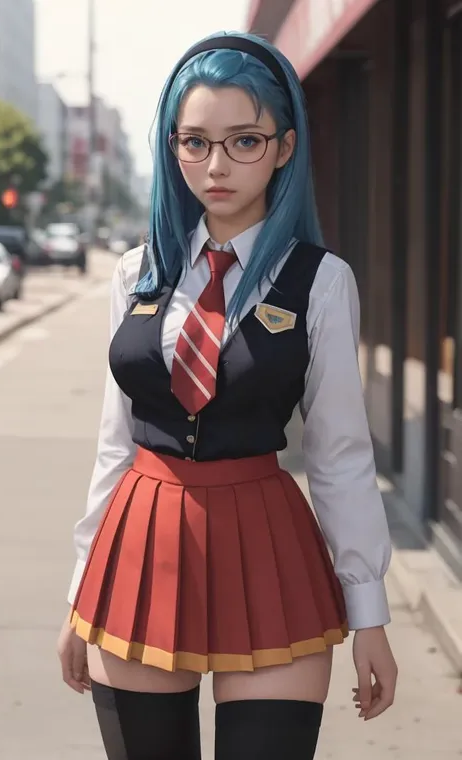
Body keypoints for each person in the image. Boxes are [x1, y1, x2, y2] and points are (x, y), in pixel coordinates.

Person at [57, 31, 398, 760]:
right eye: (195, 142)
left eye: (244, 141)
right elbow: (115, 444)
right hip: (139, 547)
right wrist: (81, 592)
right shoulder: (134, 275)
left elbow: (340, 453)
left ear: (283, 147)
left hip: (269, 545)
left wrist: (368, 611)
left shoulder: (321, 281)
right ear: (171, 146)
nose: (215, 166)